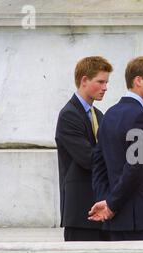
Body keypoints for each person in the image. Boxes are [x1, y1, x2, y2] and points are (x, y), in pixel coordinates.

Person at [89, 56, 143, 241]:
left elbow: (98, 165)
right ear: (138, 81)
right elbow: (136, 167)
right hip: (142, 220)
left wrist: (106, 202)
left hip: (115, 221)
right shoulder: (142, 117)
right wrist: (111, 205)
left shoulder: (108, 115)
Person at [55, 56, 112, 241]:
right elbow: (89, 158)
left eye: (106, 82)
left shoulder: (99, 114)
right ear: (84, 80)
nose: (105, 87)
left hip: (100, 210)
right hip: (80, 212)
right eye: (100, 82)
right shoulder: (69, 115)